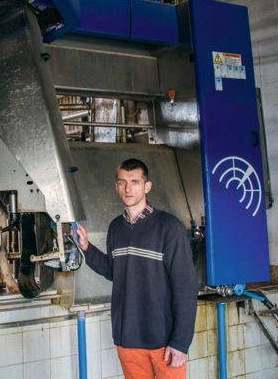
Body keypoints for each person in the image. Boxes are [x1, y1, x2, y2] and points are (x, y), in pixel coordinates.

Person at [74, 158, 197, 379]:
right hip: (128, 339)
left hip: (164, 341)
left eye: (135, 181)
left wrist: (180, 342)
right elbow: (115, 272)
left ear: (147, 186)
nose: (128, 188)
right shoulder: (115, 228)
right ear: (116, 186)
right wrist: (86, 248)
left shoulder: (169, 228)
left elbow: (186, 288)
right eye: (122, 182)